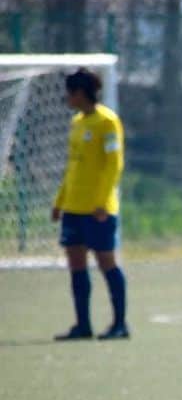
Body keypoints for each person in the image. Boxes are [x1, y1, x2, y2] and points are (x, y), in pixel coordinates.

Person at [52, 67, 128, 341]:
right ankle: (83, 325)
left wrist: (101, 202)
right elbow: (73, 166)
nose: (67, 98)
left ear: (80, 93)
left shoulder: (107, 121)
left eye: (69, 93)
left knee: (106, 261)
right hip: (73, 207)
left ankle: (120, 324)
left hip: (97, 209)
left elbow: (114, 164)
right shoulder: (77, 123)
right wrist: (60, 201)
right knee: (76, 262)